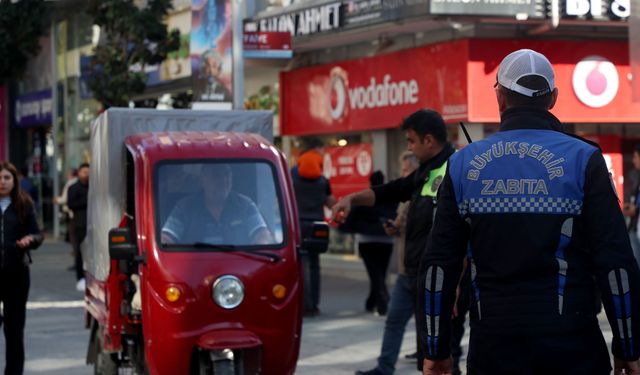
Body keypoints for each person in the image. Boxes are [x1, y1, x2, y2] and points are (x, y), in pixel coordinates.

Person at [419, 49, 640, 375]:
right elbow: (616, 263)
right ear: (552, 98)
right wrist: (628, 346)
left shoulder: (463, 164)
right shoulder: (585, 159)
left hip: (493, 349)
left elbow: (438, 265)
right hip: (574, 347)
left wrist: (436, 349)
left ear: (500, 98)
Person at [329, 109, 455, 375]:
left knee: (435, 350)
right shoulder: (425, 172)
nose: (409, 147)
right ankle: (384, 368)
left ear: (428, 140)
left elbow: (464, 232)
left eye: (411, 141)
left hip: (438, 278)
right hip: (410, 272)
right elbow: (390, 191)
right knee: (395, 322)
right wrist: (351, 199)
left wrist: (456, 285)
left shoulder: (454, 169)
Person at [161, 163, 274, 245]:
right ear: (202, 180)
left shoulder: (245, 205)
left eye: (227, 174)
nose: (224, 180)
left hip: (237, 269)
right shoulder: (184, 207)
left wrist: (261, 246)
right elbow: (166, 238)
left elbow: (262, 235)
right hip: (194, 270)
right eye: (216, 175)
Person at [0, 161, 43, 375]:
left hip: (16, 273)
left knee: (14, 330)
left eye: (7, 178)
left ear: (14, 181)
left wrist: (30, 239)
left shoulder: (24, 204)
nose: (2, 182)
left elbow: (38, 234)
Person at [339, 171, 396, 316]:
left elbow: (352, 216)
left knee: (374, 273)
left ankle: (381, 301)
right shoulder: (390, 197)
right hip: (386, 240)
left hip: (366, 240)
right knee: (380, 273)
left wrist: (345, 228)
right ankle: (372, 301)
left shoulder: (366, 197)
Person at [291, 138, 336, 317]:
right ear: (316, 150)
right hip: (317, 225)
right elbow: (330, 201)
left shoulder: (293, 172)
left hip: (298, 224)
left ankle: (304, 303)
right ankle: (314, 304)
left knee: (301, 264)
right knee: (315, 265)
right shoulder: (322, 179)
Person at [67, 163, 90, 292]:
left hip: (93, 225)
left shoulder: (95, 187)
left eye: (88, 172)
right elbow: (71, 204)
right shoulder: (74, 188)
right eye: (84, 172)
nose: (86, 175)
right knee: (80, 252)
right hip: (79, 224)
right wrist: (87, 201)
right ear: (79, 173)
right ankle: (80, 277)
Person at [623, 146, 640, 267]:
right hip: (635, 227)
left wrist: (636, 209)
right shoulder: (637, 178)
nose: (633, 161)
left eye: (635, 157)